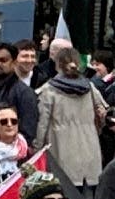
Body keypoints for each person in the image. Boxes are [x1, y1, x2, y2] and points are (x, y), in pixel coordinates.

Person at [38, 43, 108, 190]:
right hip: (90, 149)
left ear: (57, 65)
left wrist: (37, 148)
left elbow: (42, 124)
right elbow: (102, 112)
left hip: (60, 150)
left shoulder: (49, 90)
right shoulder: (89, 87)